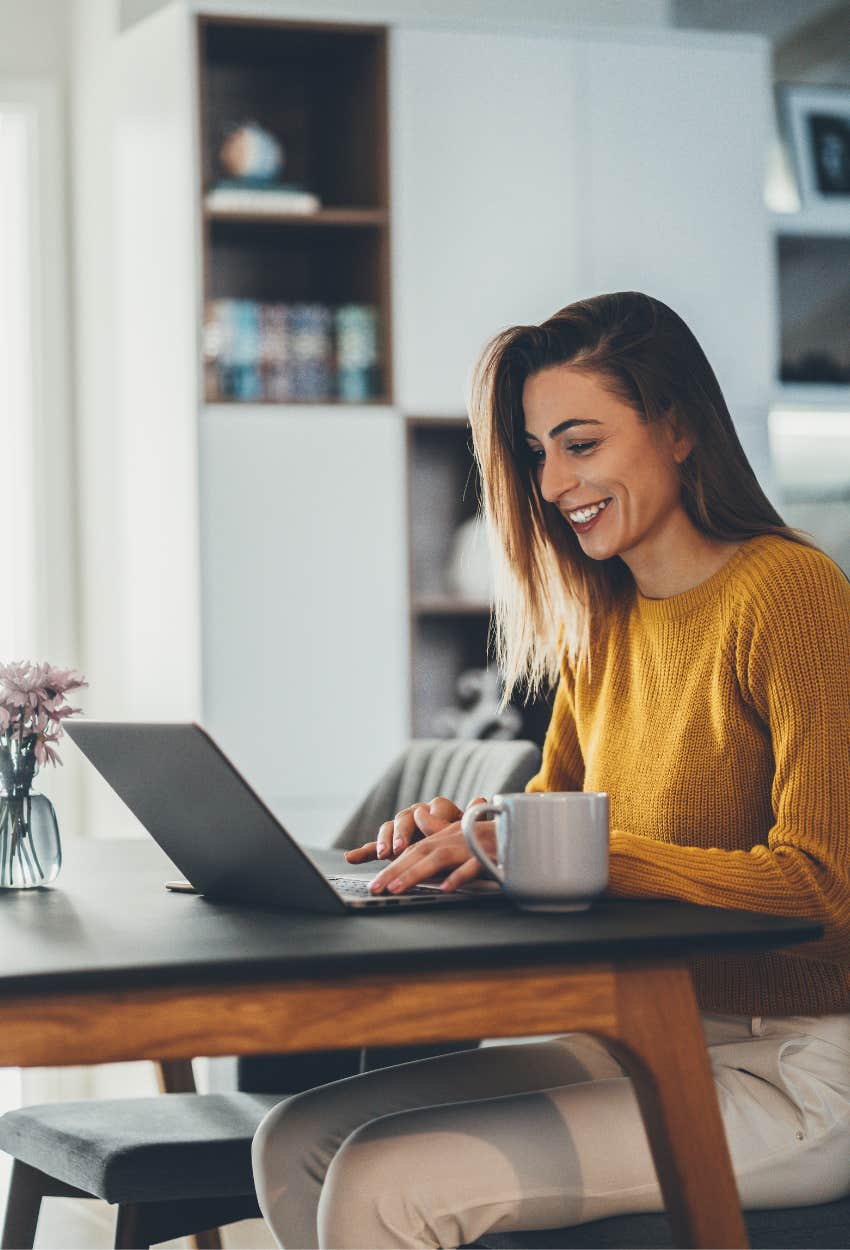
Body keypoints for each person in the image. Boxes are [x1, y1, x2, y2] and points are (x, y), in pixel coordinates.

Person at [252, 292, 850, 1249]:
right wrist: (471, 838)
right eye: (536, 453)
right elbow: (550, 816)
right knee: (299, 1138)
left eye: (581, 443)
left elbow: (827, 888)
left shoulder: (791, 594)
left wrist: (578, 850)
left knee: (381, 1178)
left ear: (682, 428)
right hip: (634, 1034)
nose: (552, 482)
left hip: (789, 1068)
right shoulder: (602, 621)